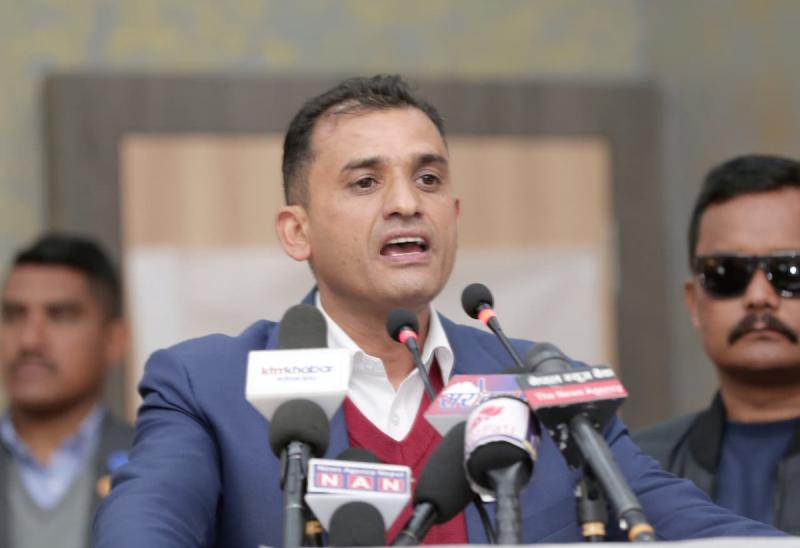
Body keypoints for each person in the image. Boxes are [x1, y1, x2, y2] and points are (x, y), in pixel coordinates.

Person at [94, 76, 782, 547]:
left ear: (453, 214)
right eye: (366, 181)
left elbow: (692, 527)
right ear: (296, 231)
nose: (406, 203)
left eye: (428, 179)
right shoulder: (207, 385)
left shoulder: (542, 385)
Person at [634, 155, 800, 535]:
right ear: (693, 302)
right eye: (727, 273)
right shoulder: (634, 471)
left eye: (790, 271)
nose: (759, 297)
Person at [0, 233, 133, 548]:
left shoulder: (154, 465)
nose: (30, 340)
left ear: (114, 340)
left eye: (59, 315)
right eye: (14, 315)